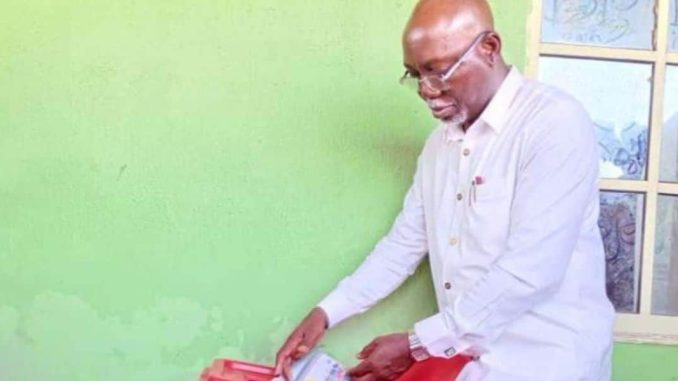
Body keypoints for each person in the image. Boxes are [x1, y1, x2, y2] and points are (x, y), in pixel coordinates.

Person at [274, 0, 615, 380]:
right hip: (473, 365)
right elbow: (403, 244)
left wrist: (418, 344)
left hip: (548, 363)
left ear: (490, 48)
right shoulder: (440, 146)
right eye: (414, 75)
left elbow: (529, 270)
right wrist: (326, 312)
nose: (425, 90)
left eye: (438, 71)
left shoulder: (553, 123)